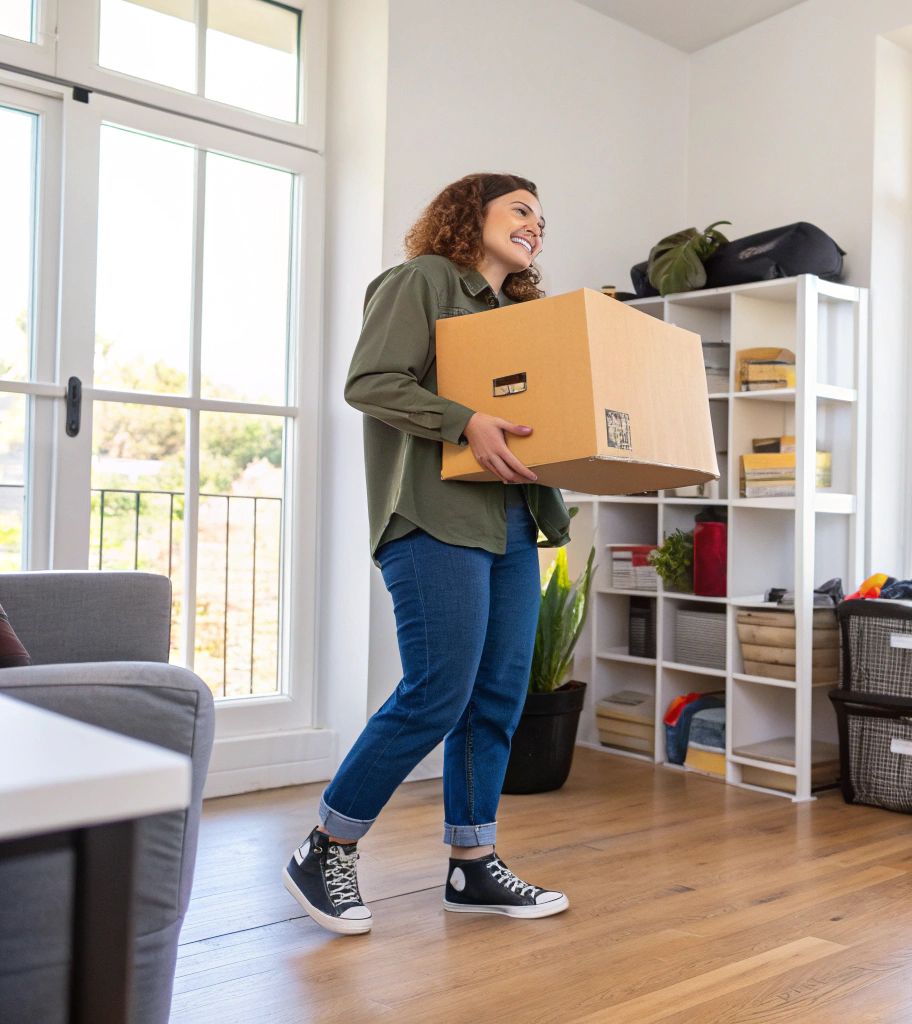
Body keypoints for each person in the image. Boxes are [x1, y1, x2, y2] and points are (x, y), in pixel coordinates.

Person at [282, 173, 575, 935]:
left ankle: (472, 866)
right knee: (438, 691)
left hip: (511, 523)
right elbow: (370, 381)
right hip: (432, 516)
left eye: (542, 220)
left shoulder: (518, 317)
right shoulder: (421, 281)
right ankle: (326, 846)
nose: (535, 226)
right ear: (468, 214)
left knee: (498, 696)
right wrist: (462, 421)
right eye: (520, 210)